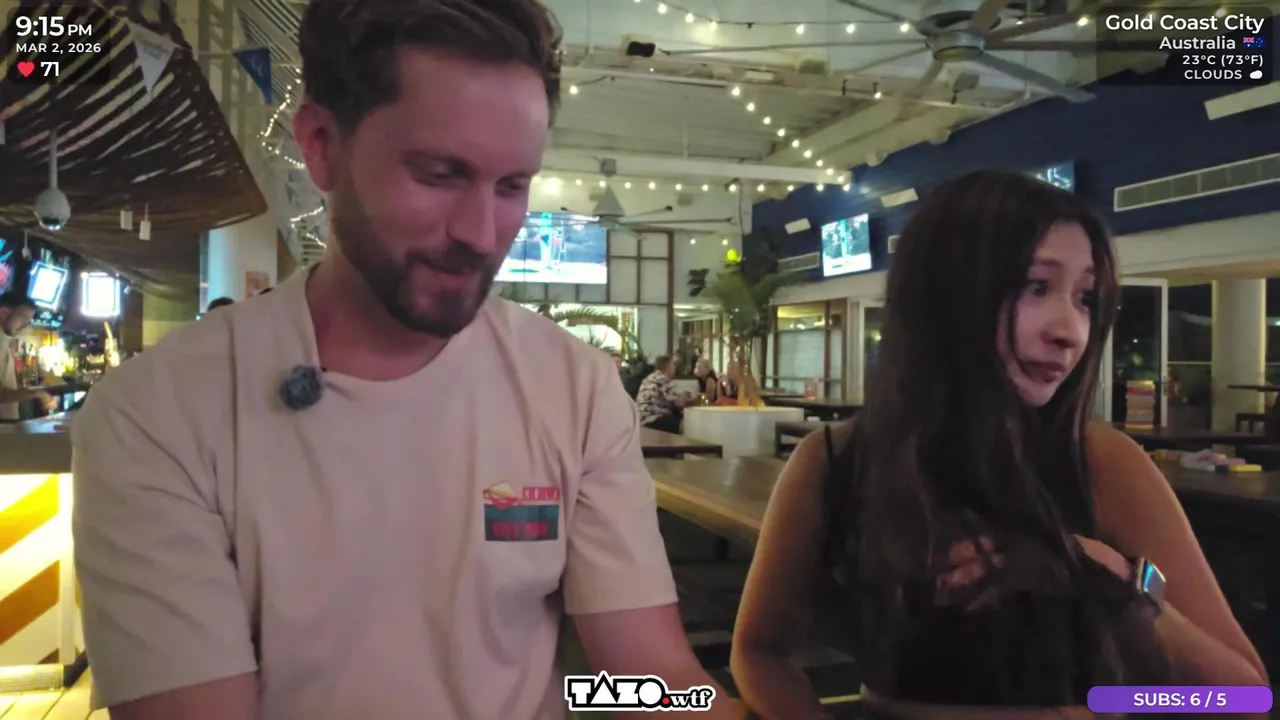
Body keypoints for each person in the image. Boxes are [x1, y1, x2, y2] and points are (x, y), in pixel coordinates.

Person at [70, 1, 735, 718]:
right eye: (439, 174)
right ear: (322, 145)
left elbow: (647, 678)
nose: (482, 234)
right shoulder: (160, 414)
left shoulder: (575, 389)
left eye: (512, 186)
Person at [730, 170, 1267, 719]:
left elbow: (1245, 698)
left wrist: (1113, 578)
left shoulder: (1102, 461)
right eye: (1037, 287)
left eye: (1085, 298)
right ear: (946, 294)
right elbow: (759, 651)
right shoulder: (835, 462)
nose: (1070, 331)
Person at [0, 291, 55, 419]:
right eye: (23, 318)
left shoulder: (5, 341)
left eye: (28, 321)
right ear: (3, 313)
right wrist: (37, 394)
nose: (25, 326)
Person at [636, 355, 694, 434]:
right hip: (653, 418)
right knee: (686, 426)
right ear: (668, 366)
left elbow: (669, 397)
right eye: (673, 365)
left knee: (676, 415)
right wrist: (690, 398)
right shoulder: (663, 379)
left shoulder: (650, 377)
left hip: (641, 419)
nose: (675, 368)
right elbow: (679, 403)